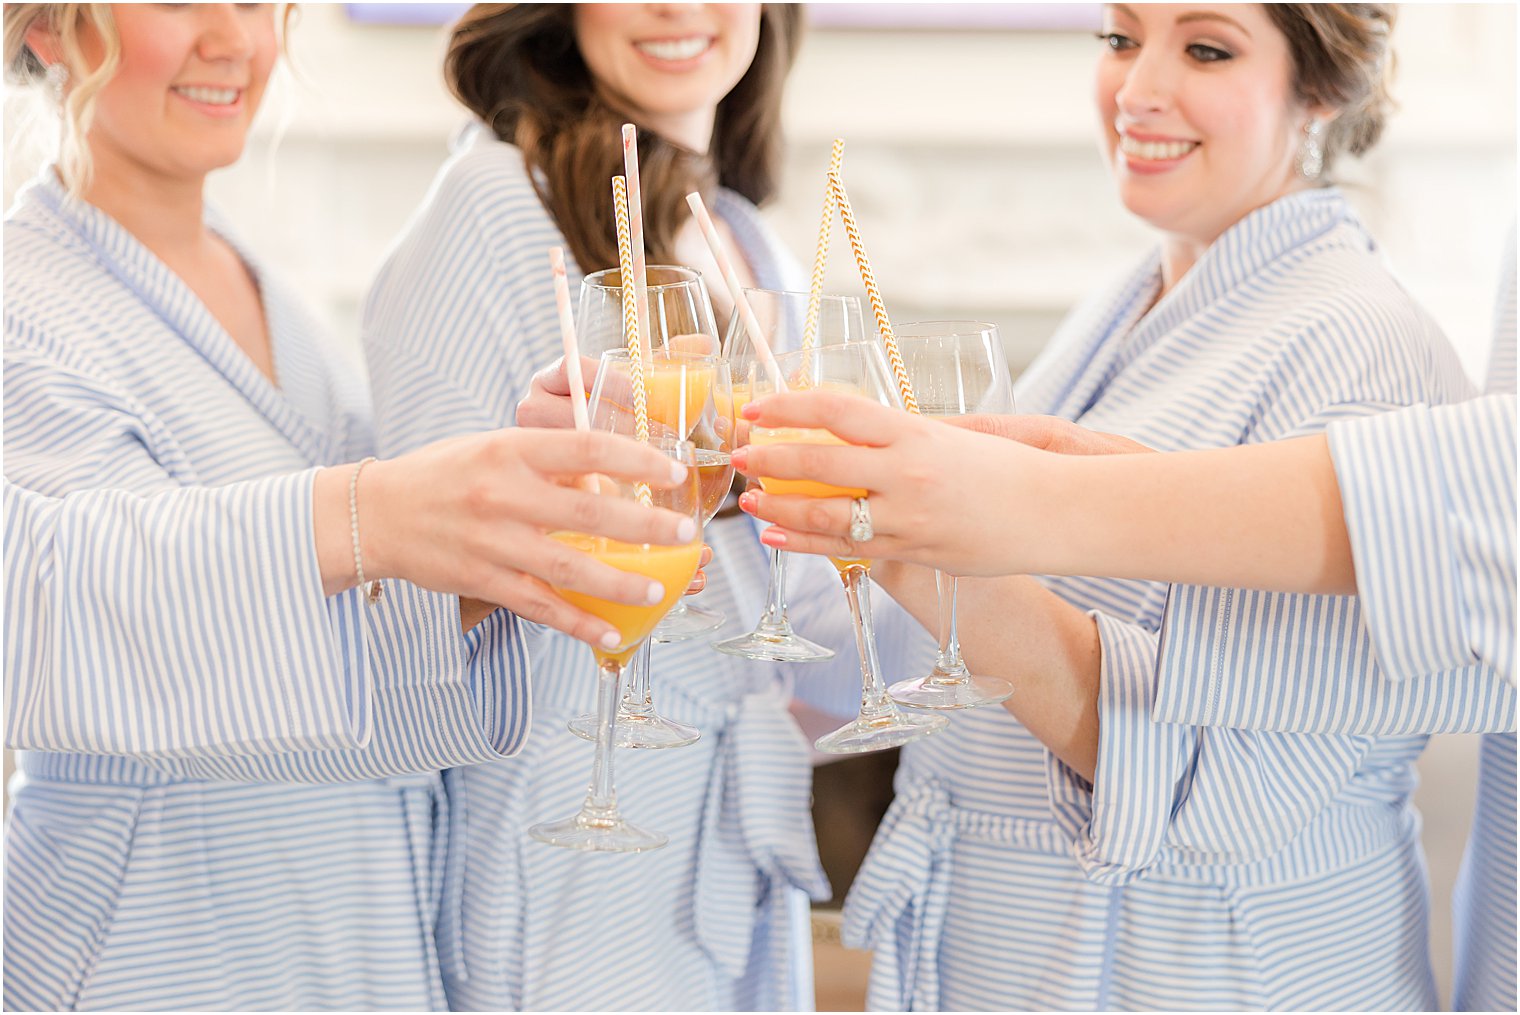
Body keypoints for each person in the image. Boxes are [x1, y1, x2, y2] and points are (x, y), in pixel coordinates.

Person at [740, 4, 1480, 1009]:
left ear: (1322, 87)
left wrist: (903, 537)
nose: (1136, 89)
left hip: (1214, 976)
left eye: (1205, 48)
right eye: (1119, 39)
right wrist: (747, 544)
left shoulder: (1361, 344)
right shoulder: (1124, 302)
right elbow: (933, 648)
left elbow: (1232, 785)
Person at [2, 5, 698, 1009]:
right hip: (154, 946)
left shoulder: (278, 304)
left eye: (251, 3)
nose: (229, 40)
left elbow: (342, 640)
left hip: (344, 934)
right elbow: (53, 604)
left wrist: (514, 523)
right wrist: (371, 512)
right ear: (47, 32)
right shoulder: (20, 300)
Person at [361, 4, 933, 1010]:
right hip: (568, 853)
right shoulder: (493, 204)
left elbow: (795, 628)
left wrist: (944, 564)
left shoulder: (745, 241)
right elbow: (408, 620)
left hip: (716, 858)